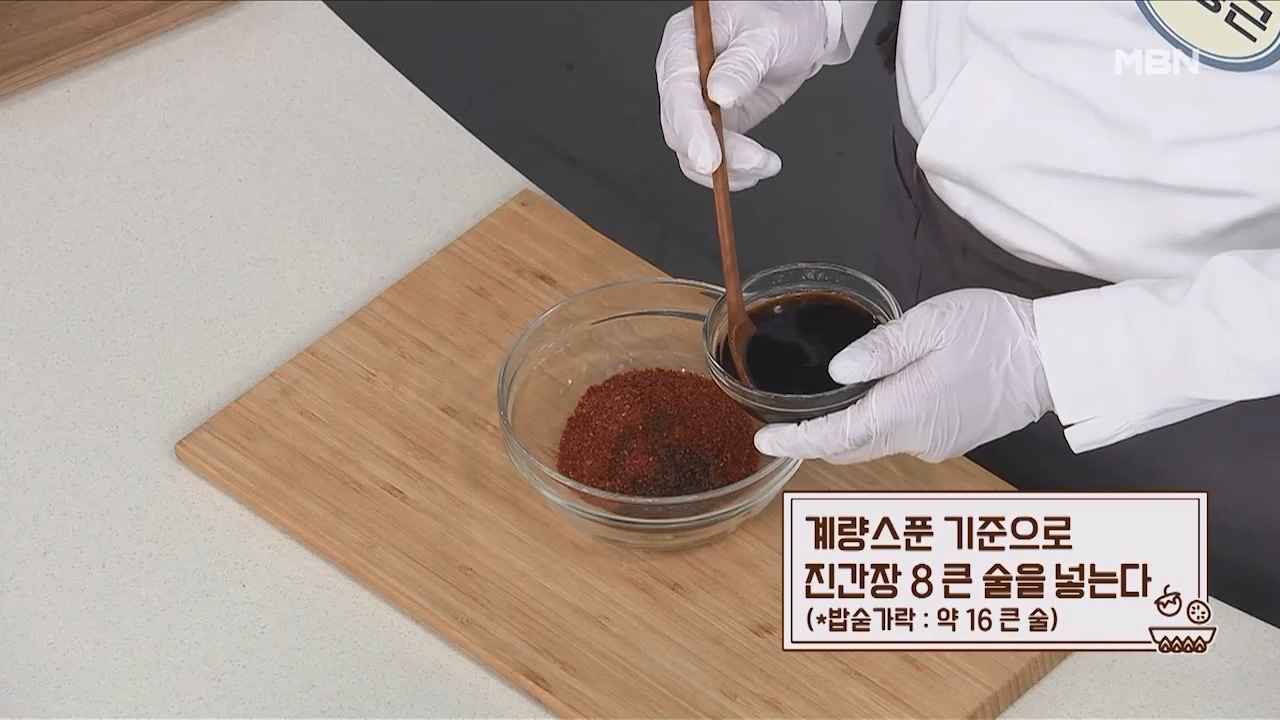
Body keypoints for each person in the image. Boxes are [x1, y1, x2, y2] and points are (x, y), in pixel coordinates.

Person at [655, 0, 1280, 627]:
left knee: (1163, 625)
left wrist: (1050, 359)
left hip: (1212, 360)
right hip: (937, 225)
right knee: (906, 578)